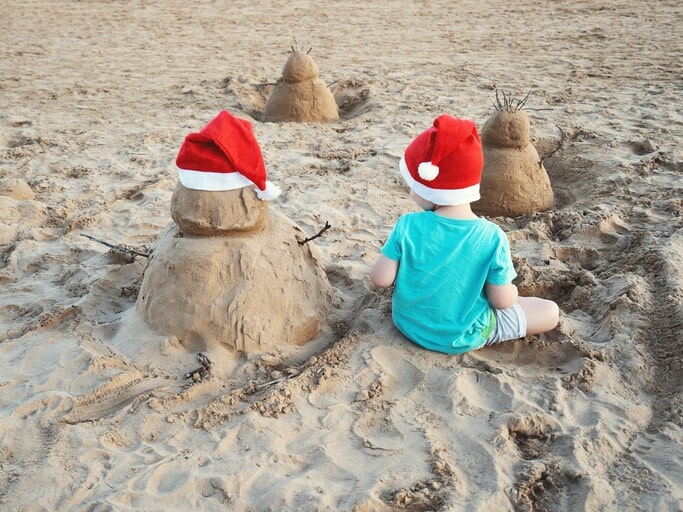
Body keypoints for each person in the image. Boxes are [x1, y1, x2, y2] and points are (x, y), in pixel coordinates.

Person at [371, 114, 559, 354]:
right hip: (465, 335)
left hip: (409, 325)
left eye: (412, 185)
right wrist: (513, 293)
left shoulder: (408, 225)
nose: (410, 191)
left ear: (430, 187)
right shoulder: (492, 237)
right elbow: (501, 301)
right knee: (549, 311)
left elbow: (380, 279)